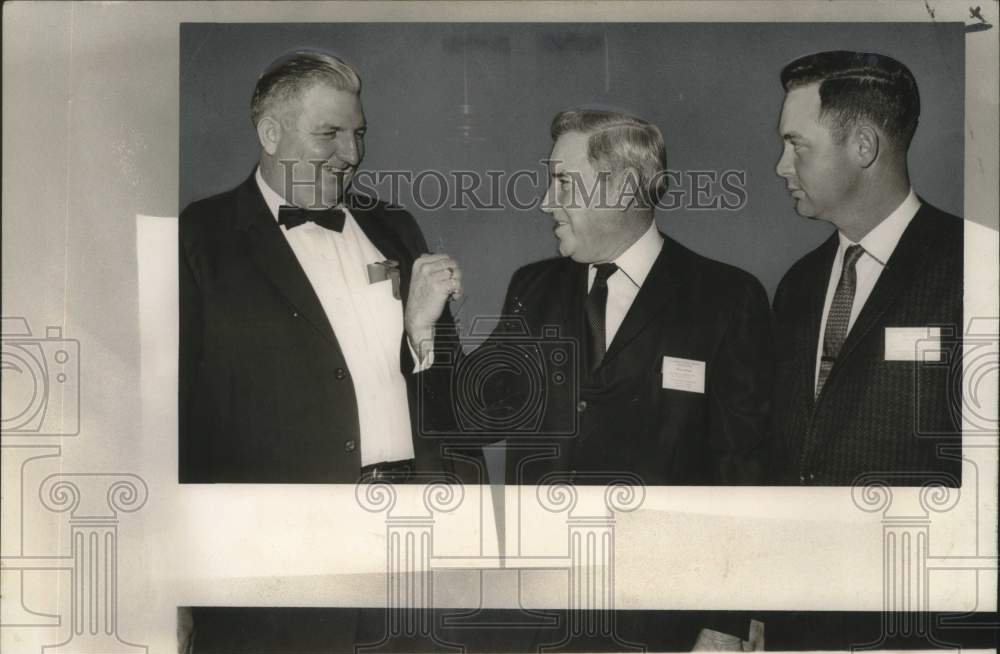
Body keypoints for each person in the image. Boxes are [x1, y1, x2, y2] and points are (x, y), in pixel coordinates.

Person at [406, 109, 773, 485]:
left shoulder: (727, 299)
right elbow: (468, 422)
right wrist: (422, 328)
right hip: (545, 541)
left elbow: (742, 467)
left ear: (625, 189)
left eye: (564, 183)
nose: (546, 202)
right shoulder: (533, 288)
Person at [179, 52, 464, 483]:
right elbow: (175, 415)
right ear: (271, 134)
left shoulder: (397, 227)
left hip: (416, 500)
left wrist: (421, 335)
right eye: (329, 133)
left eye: (359, 133)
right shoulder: (200, 235)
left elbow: (453, 402)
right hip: (286, 520)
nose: (351, 154)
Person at [770, 51, 963, 486]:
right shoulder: (797, 284)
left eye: (796, 144)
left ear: (863, 146)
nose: (781, 166)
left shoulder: (977, 266)